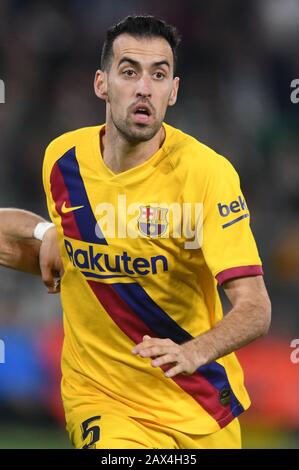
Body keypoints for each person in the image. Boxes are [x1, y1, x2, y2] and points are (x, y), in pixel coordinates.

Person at [0, 15, 271, 449]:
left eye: (158, 75)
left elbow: (255, 308)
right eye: (129, 72)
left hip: (197, 408)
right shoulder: (63, 160)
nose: (144, 87)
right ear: (101, 84)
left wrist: (193, 352)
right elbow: (69, 262)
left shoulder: (207, 175)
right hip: (101, 402)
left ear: (173, 91)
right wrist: (45, 230)